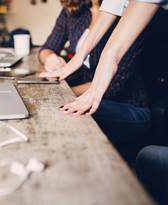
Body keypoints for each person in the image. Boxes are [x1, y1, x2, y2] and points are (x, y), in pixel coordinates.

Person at [41, 0, 153, 144]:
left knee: (62, 111)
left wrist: (64, 92)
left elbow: (113, 73)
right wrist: (72, 60)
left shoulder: (128, 8)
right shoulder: (81, 11)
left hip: (129, 104)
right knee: (55, 107)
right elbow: (112, 7)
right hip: (97, 95)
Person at [39, 0, 101, 96]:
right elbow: (47, 47)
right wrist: (49, 58)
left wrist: (64, 93)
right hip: (78, 83)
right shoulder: (73, 10)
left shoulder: (121, 13)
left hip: (114, 98)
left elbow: (113, 84)